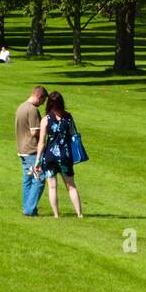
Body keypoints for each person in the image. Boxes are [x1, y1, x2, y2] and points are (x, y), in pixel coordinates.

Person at [33, 90, 85, 218]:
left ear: (49, 104)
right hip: (65, 156)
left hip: (50, 156)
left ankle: (56, 215)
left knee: (52, 187)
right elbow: (74, 134)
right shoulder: (68, 117)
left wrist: (37, 161)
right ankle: (79, 214)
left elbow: (41, 142)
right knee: (71, 186)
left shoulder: (46, 120)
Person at [15, 86, 47, 216]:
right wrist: (45, 131)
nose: (43, 104)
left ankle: (27, 208)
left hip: (22, 149)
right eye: (43, 101)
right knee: (39, 179)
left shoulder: (21, 106)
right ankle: (29, 209)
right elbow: (35, 131)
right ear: (39, 97)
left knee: (28, 180)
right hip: (32, 150)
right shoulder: (32, 109)